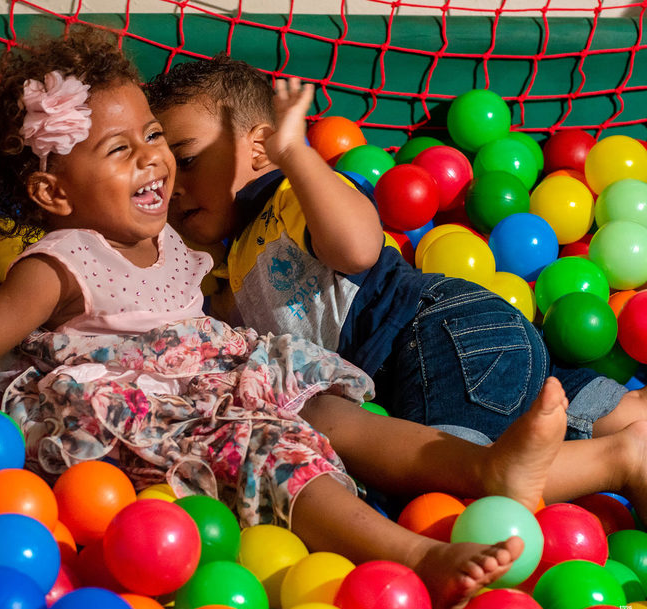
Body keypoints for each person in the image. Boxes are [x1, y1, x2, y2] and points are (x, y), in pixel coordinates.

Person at [0, 30, 629, 609]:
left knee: (330, 412)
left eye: (155, 138)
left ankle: (484, 466)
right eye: (120, 151)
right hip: (162, 409)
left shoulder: (197, 240)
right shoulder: (61, 264)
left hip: (269, 367)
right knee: (268, 447)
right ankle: (417, 555)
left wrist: (290, 157)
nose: (156, 163)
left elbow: (296, 269)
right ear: (53, 191)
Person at [146, 55, 647, 445]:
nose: (175, 188)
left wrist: (296, 154)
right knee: (601, 414)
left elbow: (359, 249)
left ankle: (585, 462)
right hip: (463, 348)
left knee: (445, 479)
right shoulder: (232, 255)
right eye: (163, 176)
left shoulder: (290, 196)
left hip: (433, 339)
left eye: (186, 160)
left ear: (260, 147)